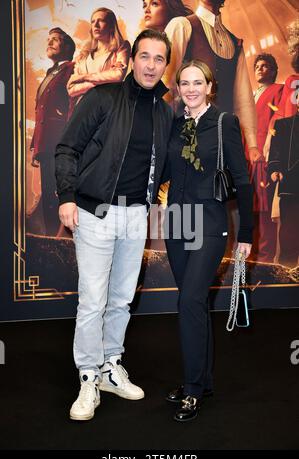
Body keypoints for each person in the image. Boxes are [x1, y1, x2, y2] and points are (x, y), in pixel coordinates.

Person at [55, 29, 173, 421]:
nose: (151, 65)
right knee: (93, 300)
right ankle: (87, 375)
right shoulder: (103, 97)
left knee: (121, 299)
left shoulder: (164, 111)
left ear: (164, 65)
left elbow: (163, 165)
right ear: (133, 59)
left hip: (136, 215)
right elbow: (67, 147)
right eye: (145, 56)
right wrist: (67, 196)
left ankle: (110, 365)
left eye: (159, 59)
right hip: (95, 212)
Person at [164, 60, 253, 422]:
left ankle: (193, 389)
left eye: (197, 82)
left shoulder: (223, 122)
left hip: (209, 221)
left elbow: (243, 181)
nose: (190, 89)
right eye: (184, 83)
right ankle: (202, 381)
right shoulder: (174, 123)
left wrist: (246, 234)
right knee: (193, 304)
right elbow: (164, 171)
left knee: (190, 300)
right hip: (176, 222)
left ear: (210, 86)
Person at [164, 0, 260, 163]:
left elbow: (242, 100)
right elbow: (165, 86)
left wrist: (252, 145)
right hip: (184, 144)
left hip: (221, 145)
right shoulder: (182, 25)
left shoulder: (236, 44)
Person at [30, 27, 75, 236]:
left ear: (67, 46)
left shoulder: (71, 69)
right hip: (45, 144)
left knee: (60, 193)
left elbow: (72, 106)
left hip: (61, 142)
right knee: (48, 193)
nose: (49, 43)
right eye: (48, 39)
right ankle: (51, 238)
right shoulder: (51, 72)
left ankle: (62, 239)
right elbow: (40, 111)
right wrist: (34, 146)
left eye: (55, 40)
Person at [250, 54, 283, 262]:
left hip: (263, 156)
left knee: (264, 208)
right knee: (248, 207)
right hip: (246, 158)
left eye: (266, 66)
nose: (261, 69)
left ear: (274, 70)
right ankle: (249, 255)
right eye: (258, 66)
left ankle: (264, 258)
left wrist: (268, 151)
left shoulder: (278, 90)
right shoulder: (250, 95)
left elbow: (278, 120)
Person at [67, 7, 131, 106]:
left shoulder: (121, 47)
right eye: (93, 22)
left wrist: (83, 77)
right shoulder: (83, 55)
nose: (96, 25)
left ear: (111, 26)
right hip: (81, 109)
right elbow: (71, 89)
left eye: (101, 21)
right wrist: (103, 83)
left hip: (107, 108)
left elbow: (117, 75)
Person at [267, 90, 299, 268]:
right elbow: (275, 153)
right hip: (292, 184)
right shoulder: (284, 125)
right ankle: (286, 275)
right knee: (289, 233)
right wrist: (274, 169)